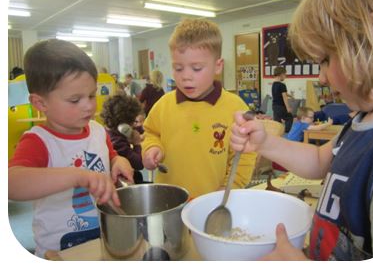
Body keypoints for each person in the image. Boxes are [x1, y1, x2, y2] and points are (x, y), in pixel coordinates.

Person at [230, 0, 373, 261]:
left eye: (325, 60)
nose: (321, 78)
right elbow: (320, 161)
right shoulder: (362, 121)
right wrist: (266, 144)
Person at [8, 39, 134, 258]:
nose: (88, 105)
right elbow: (11, 184)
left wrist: (118, 161)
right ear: (40, 103)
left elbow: (110, 156)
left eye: (92, 95)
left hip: (102, 239)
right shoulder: (39, 141)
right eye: (75, 100)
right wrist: (76, 176)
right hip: (58, 251)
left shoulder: (97, 131)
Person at [141, 18, 257, 199]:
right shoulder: (164, 105)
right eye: (178, 68)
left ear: (218, 66)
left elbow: (244, 156)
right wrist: (151, 148)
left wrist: (229, 188)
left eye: (196, 68)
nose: (186, 76)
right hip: (169, 203)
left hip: (212, 204)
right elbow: (150, 133)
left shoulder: (235, 108)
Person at [101, 94, 145, 184]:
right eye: (133, 121)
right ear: (124, 125)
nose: (134, 125)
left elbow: (135, 130)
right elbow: (139, 163)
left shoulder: (111, 131)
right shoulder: (117, 143)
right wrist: (137, 144)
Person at [271, 66, 293, 133]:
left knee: (277, 121)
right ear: (281, 74)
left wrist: (290, 95)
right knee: (289, 117)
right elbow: (284, 97)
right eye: (285, 74)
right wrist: (288, 107)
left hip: (275, 106)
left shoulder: (274, 84)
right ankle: (286, 132)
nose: (285, 76)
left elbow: (281, 93)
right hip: (281, 106)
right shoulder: (282, 85)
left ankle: (277, 133)